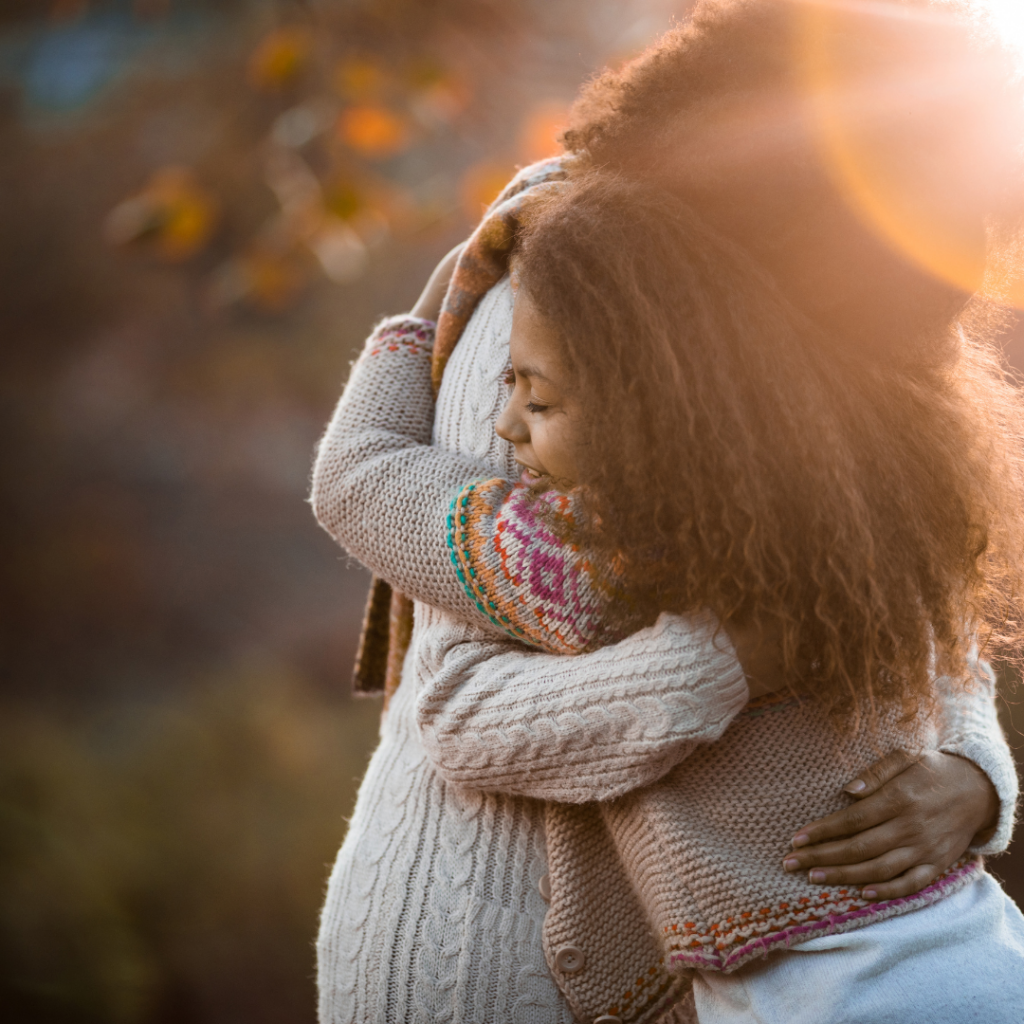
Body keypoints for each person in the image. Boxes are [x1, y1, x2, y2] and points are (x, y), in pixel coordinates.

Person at [310, 2, 1023, 1021]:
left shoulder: (794, 316)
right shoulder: (576, 286)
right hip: (488, 949)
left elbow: (912, 573)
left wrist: (968, 772)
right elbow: (459, 700)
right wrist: (733, 655)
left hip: (774, 961)